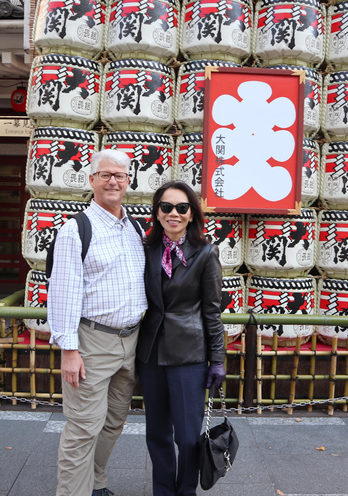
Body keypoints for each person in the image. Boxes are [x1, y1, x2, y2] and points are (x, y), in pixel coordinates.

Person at [48, 149, 147, 496]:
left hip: (130, 341)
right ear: (91, 180)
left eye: (119, 175)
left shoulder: (134, 226)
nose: (112, 181)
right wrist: (69, 350)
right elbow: (62, 292)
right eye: (105, 174)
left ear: (128, 181)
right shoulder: (76, 229)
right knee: (83, 427)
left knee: (113, 422)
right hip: (92, 342)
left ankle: (96, 483)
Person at [136, 180, 226, 496]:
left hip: (189, 355)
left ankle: (186, 489)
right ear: (157, 213)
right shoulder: (146, 249)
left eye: (181, 207)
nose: (173, 213)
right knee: (157, 433)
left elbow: (213, 312)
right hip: (150, 354)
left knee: (187, 436)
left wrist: (217, 359)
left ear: (191, 214)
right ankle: (162, 490)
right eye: (166, 207)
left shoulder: (205, 253)